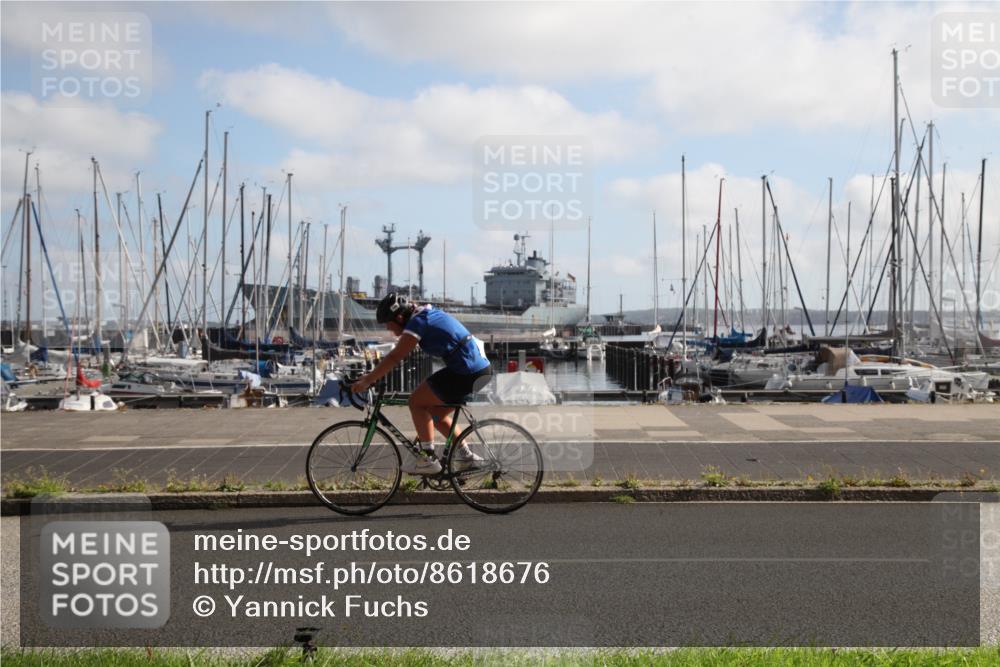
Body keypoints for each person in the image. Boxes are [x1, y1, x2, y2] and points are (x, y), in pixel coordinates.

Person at [351, 293, 492, 474]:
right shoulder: (425, 314)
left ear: (399, 317)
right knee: (435, 414)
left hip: (467, 370)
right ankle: (466, 457)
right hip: (477, 370)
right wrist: (369, 376)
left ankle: (427, 458)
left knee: (416, 401)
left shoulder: (418, 322)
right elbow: (399, 356)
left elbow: (395, 356)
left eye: (388, 323)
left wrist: (369, 380)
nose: (388, 328)